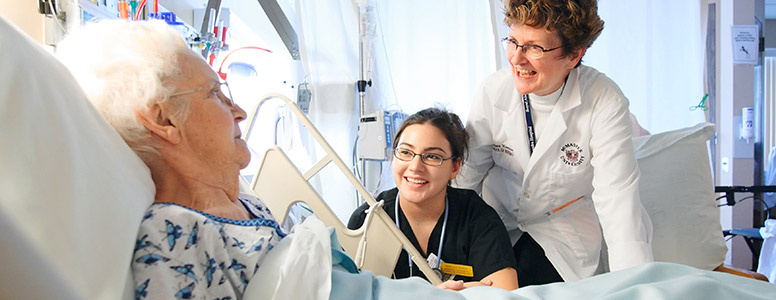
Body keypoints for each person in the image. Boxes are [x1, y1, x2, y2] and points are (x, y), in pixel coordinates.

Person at [55, 20, 490, 299]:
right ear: (164, 119)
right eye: (215, 93)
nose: (239, 110)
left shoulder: (244, 201)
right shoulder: (171, 236)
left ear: (455, 166)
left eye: (433, 157)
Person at [453, 0, 653, 286]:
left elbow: (617, 200)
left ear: (574, 55)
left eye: (534, 47)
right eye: (512, 41)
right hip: (496, 229)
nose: (516, 58)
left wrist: (635, 289)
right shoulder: (494, 91)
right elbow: (464, 181)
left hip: (560, 237)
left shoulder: (603, 101)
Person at [348, 108, 519, 290]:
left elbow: (505, 293)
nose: (415, 167)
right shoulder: (367, 220)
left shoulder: (477, 218)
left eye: (432, 156)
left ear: (455, 167)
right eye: (405, 152)